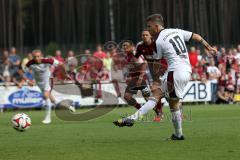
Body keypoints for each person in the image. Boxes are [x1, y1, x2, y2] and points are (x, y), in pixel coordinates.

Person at [113, 13, 217, 140]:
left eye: (149, 27)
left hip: (175, 72)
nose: (148, 29)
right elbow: (197, 36)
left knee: (157, 97)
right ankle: (177, 135)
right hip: (186, 71)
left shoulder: (159, 41)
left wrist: (144, 60)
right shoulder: (176, 31)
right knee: (170, 102)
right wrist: (209, 47)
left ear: (156, 26)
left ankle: (133, 118)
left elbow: (157, 59)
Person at [26, 50, 75, 124]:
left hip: (48, 80)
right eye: (35, 57)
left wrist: (66, 74)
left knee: (46, 96)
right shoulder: (30, 63)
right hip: (40, 84)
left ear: (41, 56)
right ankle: (68, 106)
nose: (37, 58)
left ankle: (48, 118)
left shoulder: (48, 60)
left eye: (38, 56)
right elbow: (21, 71)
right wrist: (28, 81)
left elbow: (61, 64)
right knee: (53, 101)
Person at [135, 29, 167, 122]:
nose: (144, 36)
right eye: (143, 35)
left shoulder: (157, 45)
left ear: (151, 36)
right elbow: (135, 58)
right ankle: (159, 110)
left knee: (155, 90)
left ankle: (160, 113)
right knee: (146, 94)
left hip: (162, 70)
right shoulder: (140, 46)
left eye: (146, 35)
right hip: (151, 72)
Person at [121, 40, 150, 111]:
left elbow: (144, 64)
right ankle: (141, 110)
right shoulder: (127, 56)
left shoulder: (135, 54)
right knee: (127, 96)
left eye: (126, 45)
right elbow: (132, 68)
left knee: (147, 98)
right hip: (134, 79)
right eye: (123, 45)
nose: (124, 47)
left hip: (141, 78)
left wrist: (140, 78)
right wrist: (128, 76)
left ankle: (159, 112)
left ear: (131, 47)